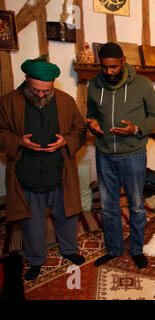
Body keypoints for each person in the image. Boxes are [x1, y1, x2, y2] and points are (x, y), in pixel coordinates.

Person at [0, 55, 87, 280]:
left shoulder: (66, 101)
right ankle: (36, 260)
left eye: (46, 91)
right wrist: (19, 141)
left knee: (66, 216)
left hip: (59, 171)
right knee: (32, 222)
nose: (41, 95)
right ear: (27, 80)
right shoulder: (8, 102)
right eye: (36, 90)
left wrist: (65, 141)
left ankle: (69, 250)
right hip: (26, 173)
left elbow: (79, 130)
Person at [87, 42, 155, 269]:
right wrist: (92, 124)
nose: (108, 72)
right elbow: (91, 114)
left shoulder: (142, 85)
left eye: (113, 67)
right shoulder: (94, 85)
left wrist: (136, 128)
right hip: (105, 155)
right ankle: (114, 249)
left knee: (137, 205)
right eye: (104, 68)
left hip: (133, 154)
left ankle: (137, 249)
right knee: (108, 207)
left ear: (123, 63)